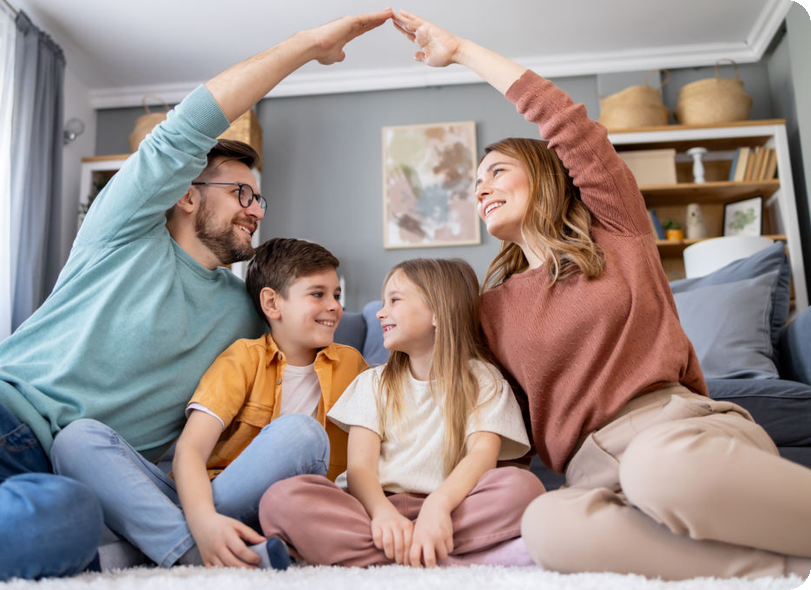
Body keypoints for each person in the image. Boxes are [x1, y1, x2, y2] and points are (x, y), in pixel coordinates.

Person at [0, 9, 392, 582]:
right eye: (241, 193)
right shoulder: (123, 232)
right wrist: (306, 45)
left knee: (70, 520)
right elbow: (188, 125)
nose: (255, 210)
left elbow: (320, 336)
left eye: (259, 200)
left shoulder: (249, 313)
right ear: (187, 195)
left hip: (48, 476)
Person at [390, 9, 811, 580]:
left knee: (658, 470)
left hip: (679, 436)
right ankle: (781, 566)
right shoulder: (491, 309)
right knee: (547, 526)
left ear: (545, 175)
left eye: (496, 172)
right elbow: (478, 406)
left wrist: (461, 50)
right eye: (476, 183)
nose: (481, 188)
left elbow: (567, 122)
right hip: (591, 473)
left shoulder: (617, 230)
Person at [51, 237, 369, 570]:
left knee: (302, 434)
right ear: (272, 303)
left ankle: (168, 548)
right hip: (204, 498)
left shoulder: (354, 367)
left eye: (336, 296)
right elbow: (190, 450)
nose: (334, 306)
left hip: (282, 511)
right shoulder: (242, 359)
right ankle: (202, 548)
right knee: (75, 439)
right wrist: (203, 521)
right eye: (318, 294)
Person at [259, 258, 544, 568]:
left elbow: (482, 455)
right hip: (372, 509)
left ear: (438, 312)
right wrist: (382, 514)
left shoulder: (483, 380)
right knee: (280, 499)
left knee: (523, 489)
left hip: (452, 506)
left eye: (394, 300)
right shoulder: (372, 383)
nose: (381, 312)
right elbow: (360, 469)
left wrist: (438, 507)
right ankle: (445, 555)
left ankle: (399, 549)